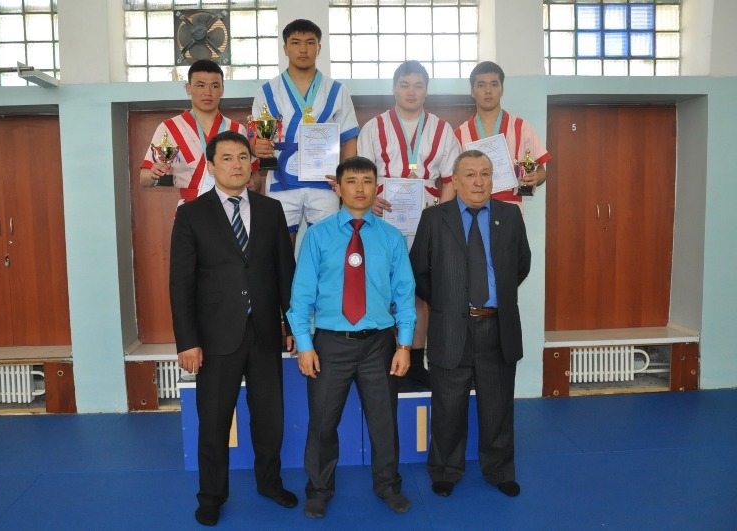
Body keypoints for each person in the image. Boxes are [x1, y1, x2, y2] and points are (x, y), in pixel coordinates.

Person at [169, 130, 298, 526]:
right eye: (226, 158)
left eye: (242, 157)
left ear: (251, 164)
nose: (236, 164)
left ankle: (269, 482)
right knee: (214, 421)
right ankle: (211, 495)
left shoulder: (271, 210)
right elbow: (180, 283)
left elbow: (285, 272)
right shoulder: (191, 214)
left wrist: (293, 324)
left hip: (264, 333)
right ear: (211, 166)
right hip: (214, 337)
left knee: (270, 418)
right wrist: (187, 341)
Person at [287, 156, 417, 519]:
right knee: (322, 422)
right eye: (352, 181)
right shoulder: (318, 236)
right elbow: (301, 296)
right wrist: (305, 345)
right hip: (330, 344)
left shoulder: (391, 237)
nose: (360, 188)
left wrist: (404, 345)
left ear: (376, 187)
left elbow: (405, 295)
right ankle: (318, 490)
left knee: (384, 421)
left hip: (379, 344)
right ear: (339, 188)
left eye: (367, 181)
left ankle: (388, 486)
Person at [409, 150, 531, 499]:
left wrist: (492, 296)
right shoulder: (434, 218)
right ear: (456, 181)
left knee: (498, 406)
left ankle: (499, 470)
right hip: (451, 327)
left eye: (485, 174)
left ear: (493, 179)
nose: (479, 182)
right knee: (448, 406)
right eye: (471, 174)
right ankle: (445, 470)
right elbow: (419, 270)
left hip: (497, 326)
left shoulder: (510, 216)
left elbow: (520, 265)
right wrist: (447, 305)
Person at [357, 59, 460, 390]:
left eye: (418, 85)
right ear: (394, 88)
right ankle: (383, 358)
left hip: (426, 222)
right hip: (382, 219)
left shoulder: (442, 129)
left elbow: (450, 179)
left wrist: (441, 215)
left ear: (427, 90)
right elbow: (362, 175)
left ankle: (415, 361)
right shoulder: (373, 127)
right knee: (381, 289)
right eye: (404, 85)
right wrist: (368, 200)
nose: (411, 91)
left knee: (418, 291)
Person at [252, 19, 360, 243]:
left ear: (319, 47)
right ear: (285, 48)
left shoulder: (337, 90)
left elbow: (349, 139)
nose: (303, 49)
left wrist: (345, 178)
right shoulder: (267, 91)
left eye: (310, 42)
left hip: (326, 180)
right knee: (280, 245)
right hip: (281, 177)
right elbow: (255, 138)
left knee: (328, 244)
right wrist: (257, 147)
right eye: (296, 42)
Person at [141, 60, 258, 207]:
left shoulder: (237, 129)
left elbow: (255, 175)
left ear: (222, 89)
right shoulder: (169, 128)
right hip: (189, 208)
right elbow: (144, 178)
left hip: (232, 207)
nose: (208, 92)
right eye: (201, 85)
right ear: (188, 88)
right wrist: (154, 173)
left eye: (214, 86)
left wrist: (253, 183)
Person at [454, 61, 550, 206]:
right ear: (472, 91)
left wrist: (536, 177)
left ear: (502, 89)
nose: (488, 91)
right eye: (481, 85)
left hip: (511, 208)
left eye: (494, 84)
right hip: (471, 208)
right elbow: (453, 178)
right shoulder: (460, 134)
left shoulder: (521, 127)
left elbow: (542, 170)